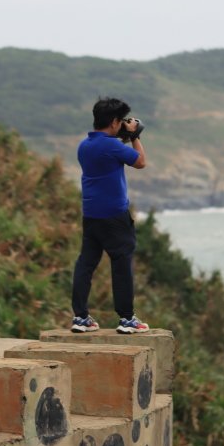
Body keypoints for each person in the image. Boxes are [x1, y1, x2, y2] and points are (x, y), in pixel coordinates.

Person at [71, 97, 150, 334]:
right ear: (115, 122)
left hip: (91, 214)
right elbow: (141, 162)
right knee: (121, 263)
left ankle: (80, 317)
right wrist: (135, 136)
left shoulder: (84, 145)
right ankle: (126, 319)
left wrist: (123, 136)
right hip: (115, 215)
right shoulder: (112, 146)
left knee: (86, 263)